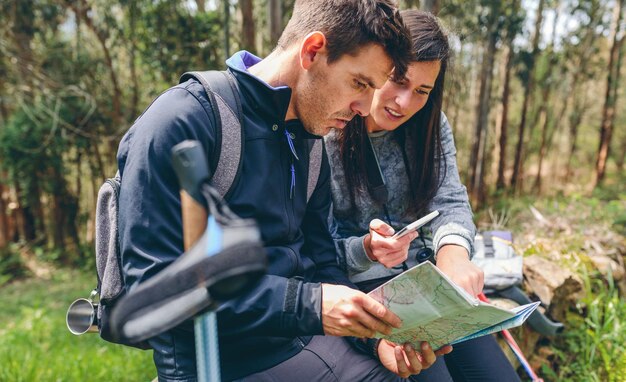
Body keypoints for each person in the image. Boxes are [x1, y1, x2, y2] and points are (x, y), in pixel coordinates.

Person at [116, 1, 452, 381]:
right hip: (218, 365)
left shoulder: (309, 144)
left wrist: (374, 338)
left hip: (310, 346)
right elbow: (152, 292)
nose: (364, 108)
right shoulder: (183, 121)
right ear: (312, 51)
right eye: (359, 83)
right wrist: (309, 305)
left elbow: (324, 264)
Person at [325, 10, 521, 382]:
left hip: (430, 284)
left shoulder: (430, 126)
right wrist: (365, 249)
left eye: (421, 91)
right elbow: (317, 248)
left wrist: (453, 255)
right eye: (398, 81)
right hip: (366, 292)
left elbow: (449, 200)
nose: (403, 102)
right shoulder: (327, 132)